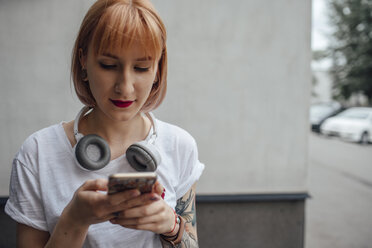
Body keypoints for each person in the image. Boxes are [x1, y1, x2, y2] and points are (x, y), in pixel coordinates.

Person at [5, 0, 204, 247]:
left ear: (158, 71)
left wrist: (171, 226)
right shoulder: (37, 153)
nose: (125, 87)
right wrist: (75, 220)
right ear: (83, 61)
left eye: (141, 68)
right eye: (108, 65)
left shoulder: (180, 146)